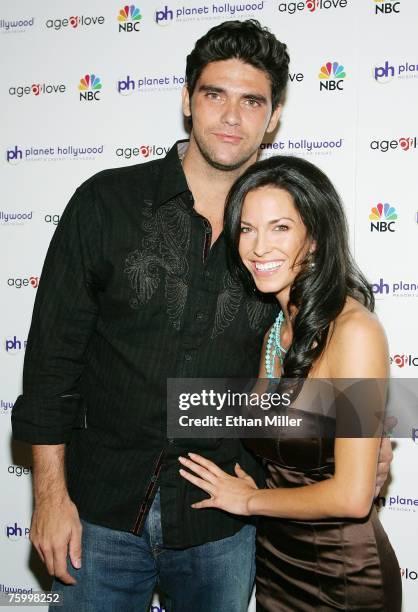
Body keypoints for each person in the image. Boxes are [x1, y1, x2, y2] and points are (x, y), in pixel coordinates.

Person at [12, 20, 392, 612]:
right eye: (215, 94)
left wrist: (360, 428)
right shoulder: (105, 203)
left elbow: (316, 354)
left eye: (252, 101)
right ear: (187, 100)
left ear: (273, 117)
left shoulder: (279, 238)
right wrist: (50, 496)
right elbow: (50, 363)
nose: (232, 117)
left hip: (222, 522)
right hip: (100, 512)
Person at [178, 155, 402, 611]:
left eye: (280, 228)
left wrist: (250, 501)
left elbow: (354, 496)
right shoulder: (274, 330)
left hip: (342, 575)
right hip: (277, 566)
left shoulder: (354, 332)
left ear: (316, 237)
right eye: (246, 229)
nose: (259, 247)